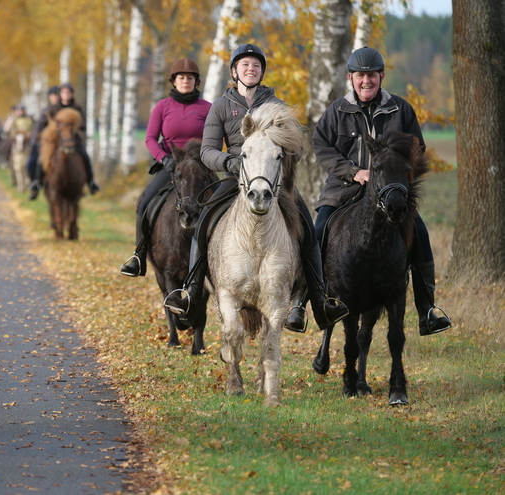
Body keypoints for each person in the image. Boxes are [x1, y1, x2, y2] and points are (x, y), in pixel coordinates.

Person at [163, 44, 349, 332]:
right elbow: (207, 151)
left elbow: (296, 150)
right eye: (245, 64)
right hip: (235, 179)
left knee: (308, 228)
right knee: (204, 223)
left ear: (262, 72)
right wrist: (232, 162)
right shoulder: (221, 106)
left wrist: (277, 157)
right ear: (234, 71)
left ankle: (319, 299)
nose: (251, 69)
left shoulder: (276, 107)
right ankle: (190, 290)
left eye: (256, 66)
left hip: (273, 182)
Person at [312, 46, 451, 336]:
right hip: (344, 191)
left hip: (390, 194)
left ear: (382, 76)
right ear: (351, 78)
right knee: (319, 231)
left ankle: (428, 310)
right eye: (361, 75)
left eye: (372, 76)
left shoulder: (401, 109)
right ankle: (306, 302)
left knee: (421, 234)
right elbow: (322, 149)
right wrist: (355, 172)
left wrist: (395, 176)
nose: (366, 81)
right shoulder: (336, 111)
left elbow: (418, 149)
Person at [120, 59, 212, 276]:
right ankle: (138, 255)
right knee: (145, 202)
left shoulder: (207, 108)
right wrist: (164, 158)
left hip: (200, 168)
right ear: (174, 81)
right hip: (170, 166)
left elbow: (214, 139)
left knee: (223, 205)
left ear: (196, 81)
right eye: (181, 78)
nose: (186, 81)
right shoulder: (162, 107)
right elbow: (150, 138)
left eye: (190, 78)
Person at [29, 83, 100, 199]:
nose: (66, 95)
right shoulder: (52, 109)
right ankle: (37, 182)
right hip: (55, 143)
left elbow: (83, 125)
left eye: (68, 92)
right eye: (64, 92)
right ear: (60, 94)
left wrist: (77, 126)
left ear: (72, 94)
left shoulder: (77, 108)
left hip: (74, 142)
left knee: (85, 156)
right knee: (41, 159)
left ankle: (91, 183)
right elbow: (43, 125)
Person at [26, 85, 61, 197]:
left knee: (83, 157)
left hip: (65, 142)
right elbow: (38, 127)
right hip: (48, 143)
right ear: (50, 97)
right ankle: (35, 184)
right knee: (33, 162)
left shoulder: (67, 110)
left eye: (57, 95)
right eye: (53, 95)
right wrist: (36, 140)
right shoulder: (46, 111)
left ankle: (88, 182)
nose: (55, 98)